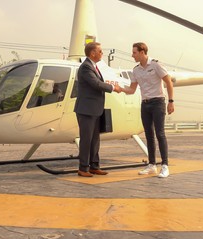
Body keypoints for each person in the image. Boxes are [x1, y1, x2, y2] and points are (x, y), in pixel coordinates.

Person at [121, 42, 174, 178]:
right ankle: (152, 165)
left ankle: (165, 166)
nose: (132, 55)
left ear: (142, 52)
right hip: (145, 104)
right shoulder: (136, 70)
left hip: (158, 102)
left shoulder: (155, 65)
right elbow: (132, 90)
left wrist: (171, 102)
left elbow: (168, 82)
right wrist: (118, 88)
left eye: (134, 53)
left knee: (160, 134)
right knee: (149, 135)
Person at [74, 42, 122, 177]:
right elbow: (96, 84)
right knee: (86, 139)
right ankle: (83, 168)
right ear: (92, 53)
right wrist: (113, 88)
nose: (102, 53)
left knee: (95, 139)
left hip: (95, 109)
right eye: (100, 51)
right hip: (86, 110)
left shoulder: (93, 66)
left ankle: (94, 166)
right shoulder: (86, 67)